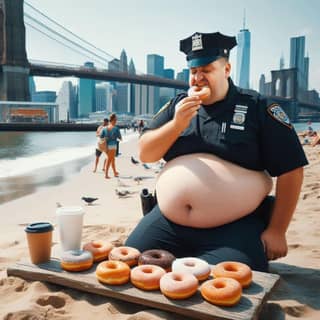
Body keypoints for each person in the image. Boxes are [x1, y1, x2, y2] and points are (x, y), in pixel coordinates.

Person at [125, 32, 308, 272]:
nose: (198, 78)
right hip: (168, 221)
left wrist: (277, 230)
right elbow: (146, 153)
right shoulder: (177, 106)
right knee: (132, 264)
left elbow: (291, 169)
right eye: (193, 72)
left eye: (207, 70)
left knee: (227, 284)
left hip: (235, 225)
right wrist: (177, 124)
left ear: (226, 69)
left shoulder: (257, 107)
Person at [101, 113, 122, 178]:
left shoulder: (104, 128)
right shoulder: (116, 128)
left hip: (106, 146)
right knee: (110, 159)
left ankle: (115, 172)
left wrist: (106, 138)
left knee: (112, 159)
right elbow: (120, 138)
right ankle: (106, 174)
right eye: (115, 120)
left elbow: (101, 137)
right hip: (113, 145)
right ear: (113, 120)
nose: (116, 121)